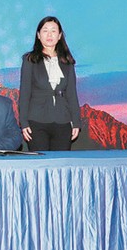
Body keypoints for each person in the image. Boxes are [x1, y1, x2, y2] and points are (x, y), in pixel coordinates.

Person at [18, 16, 82, 151]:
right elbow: (24, 93)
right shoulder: (30, 59)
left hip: (63, 120)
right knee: (41, 161)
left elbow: (72, 94)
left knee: (61, 162)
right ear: (38, 35)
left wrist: (76, 122)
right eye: (45, 30)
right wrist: (23, 122)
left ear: (59, 36)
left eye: (53, 31)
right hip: (36, 121)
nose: (49, 35)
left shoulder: (67, 61)